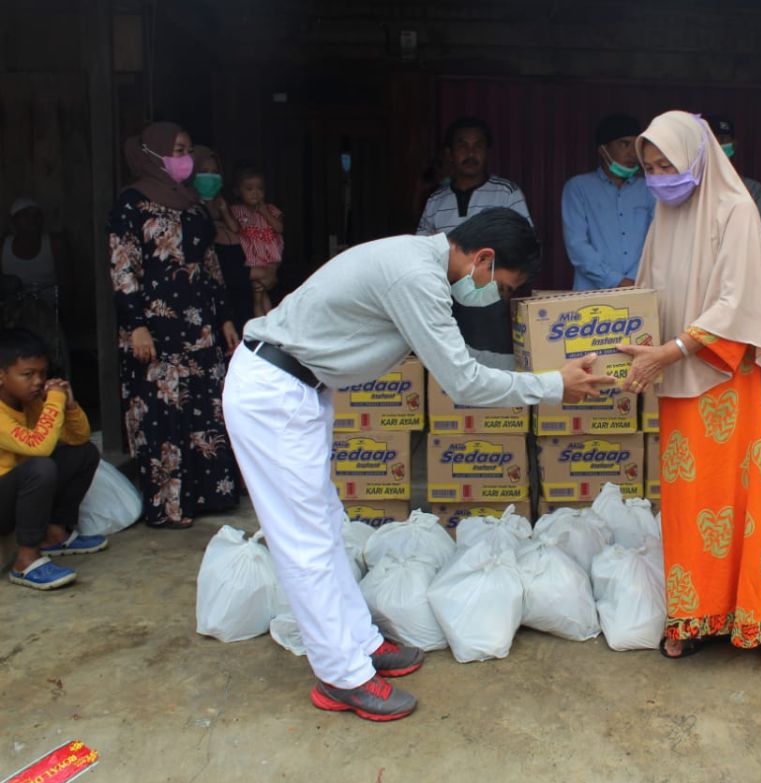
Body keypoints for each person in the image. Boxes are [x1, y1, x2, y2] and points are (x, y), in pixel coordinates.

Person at [222, 207, 614, 721]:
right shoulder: (415, 277)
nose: (495, 297)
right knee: (305, 543)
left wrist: (539, 370)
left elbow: (461, 359)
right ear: (483, 259)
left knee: (325, 528)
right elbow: (464, 383)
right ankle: (341, 677)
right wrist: (552, 385)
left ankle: (359, 642)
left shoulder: (420, 266)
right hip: (273, 393)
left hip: (298, 390)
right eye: (502, 287)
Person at [619, 111, 761, 682]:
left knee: (747, 509)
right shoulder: (665, 212)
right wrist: (628, 331)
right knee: (690, 507)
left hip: (735, 383)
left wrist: (666, 352)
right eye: (648, 167)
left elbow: (735, 306)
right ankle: (696, 618)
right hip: (682, 383)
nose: (658, 176)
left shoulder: (736, 210)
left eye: (667, 163)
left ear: (698, 156)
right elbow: (652, 291)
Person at [107, 121, 241, 529]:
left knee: (205, 410)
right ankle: (168, 507)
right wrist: (136, 324)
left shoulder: (192, 205)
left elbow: (209, 265)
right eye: (177, 151)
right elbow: (123, 265)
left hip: (199, 328)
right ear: (153, 153)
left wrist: (225, 319)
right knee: (162, 415)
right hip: (155, 329)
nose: (184, 160)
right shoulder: (130, 204)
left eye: (186, 151)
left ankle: (207, 497)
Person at [417, 118, 531, 369]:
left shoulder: (506, 192)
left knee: (493, 370)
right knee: (448, 370)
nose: (470, 153)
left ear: (487, 152)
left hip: (488, 302)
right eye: (462, 146)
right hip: (443, 301)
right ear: (450, 153)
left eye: (478, 146)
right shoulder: (436, 200)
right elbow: (421, 249)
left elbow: (524, 245)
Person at [1, 328, 104, 591]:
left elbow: (79, 438)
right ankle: (25, 561)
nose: (38, 381)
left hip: (16, 493)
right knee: (41, 467)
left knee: (85, 454)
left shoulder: (30, 401)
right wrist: (55, 399)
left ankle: (54, 533)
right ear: (1, 376)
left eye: (42, 374)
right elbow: (39, 447)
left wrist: (69, 406)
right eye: (27, 375)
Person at [562, 113, 655, 290]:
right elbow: (577, 245)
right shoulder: (578, 188)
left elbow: (656, 240)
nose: (632, 153)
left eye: (636, 145)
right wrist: (616, 281)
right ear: (603, 149)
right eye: (624, 144)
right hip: (591, 294)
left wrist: (635, 278)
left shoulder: (650, 189)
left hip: (641, 287)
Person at [2, 198, 68, 372]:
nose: (31, 219)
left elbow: (66, 279)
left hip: (47, 305)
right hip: (13, 309)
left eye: (35, 215)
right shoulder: (4, 245)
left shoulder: (52, 244)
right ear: (14, 221)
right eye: (25, 215)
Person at [192, 146, 253, 334]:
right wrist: (255, 275)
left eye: (214, 172)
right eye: (203, 172)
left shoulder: (225, 208)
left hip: (239, 308)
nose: (210, 178)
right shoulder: (189, 214)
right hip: (211, 310)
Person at [230, 166, 284, 319]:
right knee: (258, 292)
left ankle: (266, 322)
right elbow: (233, 228)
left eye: (260, 189)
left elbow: (279, 228)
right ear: (238, 191)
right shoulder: (236, 211)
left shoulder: (271, 209)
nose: (255, 193)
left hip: (269, 256)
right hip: (252, 257)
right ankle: (263, 323)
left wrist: (265, 213)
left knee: (262, 291)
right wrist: (223, 210)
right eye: (249, 189)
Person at [705, 115, 761, 231]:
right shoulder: (695, 187)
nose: (718, 144)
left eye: (723, 139)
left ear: (734, 144)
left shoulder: (753, 189)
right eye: (713, 139)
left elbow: (759, 233)